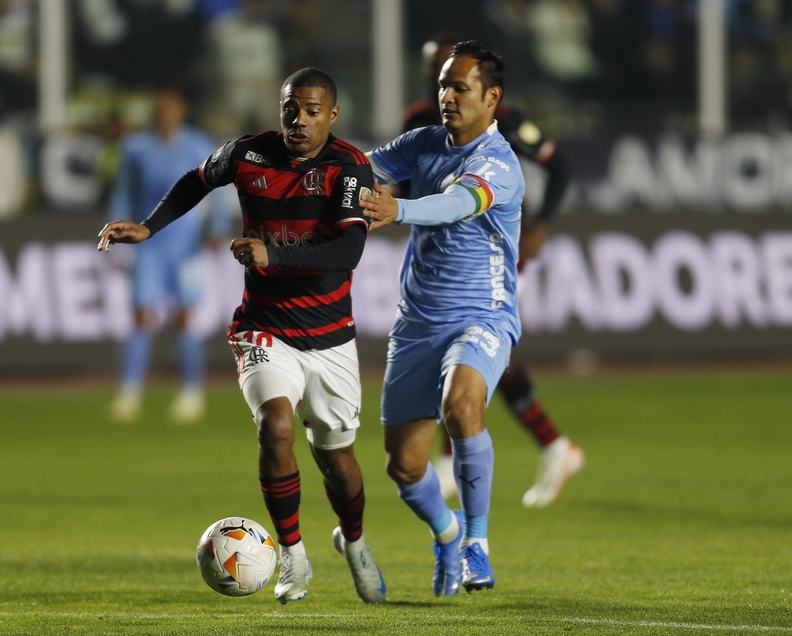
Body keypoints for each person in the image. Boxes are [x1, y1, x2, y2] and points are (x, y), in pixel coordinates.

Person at [97, 67, 386, 605]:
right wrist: (149, 226)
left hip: (329, 335)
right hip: (263, 327)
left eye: (311, 110)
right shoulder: (248, 154)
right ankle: (294, 555)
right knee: (276, 426)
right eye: (290, 108)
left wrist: (271, 254)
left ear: (333, 115)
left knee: (338, 461)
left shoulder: (349, 167)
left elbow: (348, 250)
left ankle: (355, 541)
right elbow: (194, 180)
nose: (298, 119)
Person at [361, 41, 523, 596]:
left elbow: (457, 204)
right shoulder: (422, 143)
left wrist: (397, 208)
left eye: (460, 87)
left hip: (483, 313)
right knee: (404, 467)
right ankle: (448, 533)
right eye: (442, 85)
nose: (446, 96)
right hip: (417, 321)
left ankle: (478, 543)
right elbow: (358, 172)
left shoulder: (499, 164)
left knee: (462, 403)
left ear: (491, 97)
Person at [404, 33, 585, 509]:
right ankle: (551, 445)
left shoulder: (505, 123)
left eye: (449, 71)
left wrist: (541, 224)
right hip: (442, 257)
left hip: (490, 251)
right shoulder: (418, 122)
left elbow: (559, 165)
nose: (440, 81)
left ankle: (538, 446)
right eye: (433, 71)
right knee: (472, 353)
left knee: (477, 345)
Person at [106, 87, 233, 424]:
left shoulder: (198, 145)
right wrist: (115, 229)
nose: (165, 115)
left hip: (184, 246)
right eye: (160, 109)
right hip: (149, 245)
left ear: (180, 112)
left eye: (170, 109)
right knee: (141, 316)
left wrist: (219, 227)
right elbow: (124, 191)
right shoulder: (135, 148)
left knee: (184, 318)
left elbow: (217, 190)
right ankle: (129, 393)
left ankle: (192, 393)